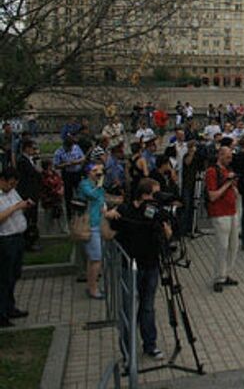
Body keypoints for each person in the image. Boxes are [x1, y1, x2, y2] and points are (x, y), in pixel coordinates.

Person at [107, 177, 172, 360]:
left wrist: (167, 228)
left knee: (148, 307)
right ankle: (127, 351)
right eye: (155, 194)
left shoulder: (155, 212)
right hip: (131, 267)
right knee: (129, 309)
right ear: (144, 195)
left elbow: (167, 233)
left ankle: (150, 345)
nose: (158, 198)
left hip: (151, 265)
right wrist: (107, 216)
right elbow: (108, 232)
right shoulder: (125, 210)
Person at [77, 162, 119, 299]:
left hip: (98, 223)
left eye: (100, 171)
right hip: (90, 225)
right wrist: (100, 182)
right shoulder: (85, 185)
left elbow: (102, 200)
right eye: (95, 171)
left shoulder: (96, 185)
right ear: (88, 172)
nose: (98, 173)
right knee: (96, 258)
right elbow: (93, 196)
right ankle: (93, 289)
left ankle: (91, 285)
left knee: (94, 258)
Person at [0, 167, 34, 327]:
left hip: (18, 237)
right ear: (2, 180)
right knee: (4, 278)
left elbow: (19, 203)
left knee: (14, 275)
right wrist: (15, 207)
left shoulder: (12, 192)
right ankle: (2, 313)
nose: (12, 187)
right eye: (10, 184)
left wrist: (25, 204)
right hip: (6, 240)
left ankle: (10, 306)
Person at [206, 147, 239, 293]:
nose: (229, 160)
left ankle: (227, 273)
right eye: (227, 157)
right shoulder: (212, 172)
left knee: (233, 245)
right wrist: (227, 184)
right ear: (220, 156)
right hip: (220, 213)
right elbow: (212, 195)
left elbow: (233, 190)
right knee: (222, 246)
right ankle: (218, 277)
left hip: (232, 211)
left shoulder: (227, 170)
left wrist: (233, 184)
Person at [16, 140, 41, 251]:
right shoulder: (22, 161)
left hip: (33, 192)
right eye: (32, 148)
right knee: (28, 218)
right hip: (28, 193)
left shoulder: (30, 160)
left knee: (33, 218)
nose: (34, 151)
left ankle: (32, 240)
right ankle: (28, 242)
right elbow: (31, 175)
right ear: (26, 148)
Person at [53, 136, 86, 221]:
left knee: (80, 193)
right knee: (68, 195)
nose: (70, 149)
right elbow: (56, 165)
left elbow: (83, 158)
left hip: (77, 173)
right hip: (67, 174)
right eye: (68, 148)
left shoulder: (76, 148)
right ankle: (69, 215)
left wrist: (76, 162)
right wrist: (66, 164)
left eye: (71, 147)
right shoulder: (59, 152)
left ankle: (81, 213)